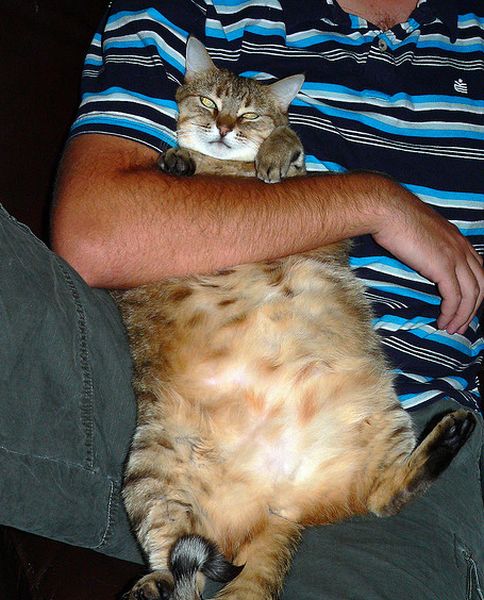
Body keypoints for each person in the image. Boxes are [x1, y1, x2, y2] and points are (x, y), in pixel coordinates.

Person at [1, 0, 482, 597]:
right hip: (164, 371)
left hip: (371, 407)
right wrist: (371, 202)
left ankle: (190, 564)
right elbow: (97, 235)